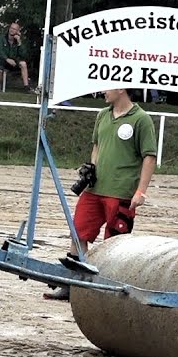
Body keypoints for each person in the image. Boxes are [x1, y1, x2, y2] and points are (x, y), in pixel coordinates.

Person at [44, 88, 156, 300]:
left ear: (121, 89)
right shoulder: (102, 115)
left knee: (114, 243)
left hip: (121, 191)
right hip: (94, 189)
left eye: (108, 87)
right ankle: (72, 285)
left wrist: (141, 191)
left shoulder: (141, 119)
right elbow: (96, 146)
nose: (103, 91)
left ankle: (107, 292)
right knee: (78, 233)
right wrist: (91, 168)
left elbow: (149, 157)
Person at [0, 21, 32, 92]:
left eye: (14, 29)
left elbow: (24, 55)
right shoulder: (2, 38)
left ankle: (26, 87)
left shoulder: (19, 40)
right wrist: (7, 59)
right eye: (11, 28)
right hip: (3, 60)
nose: (12, 30)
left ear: (17, 31)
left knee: (23, 63)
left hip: (14, 61)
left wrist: (19, 42)